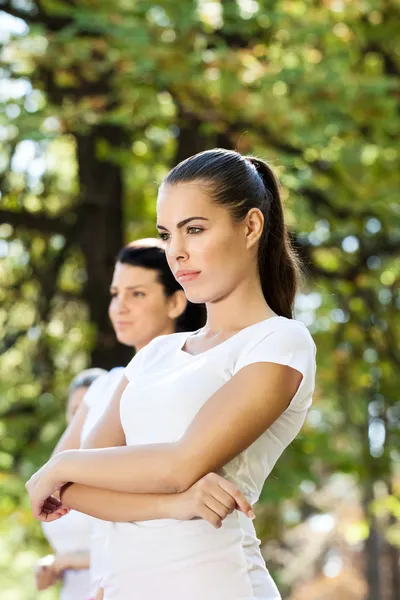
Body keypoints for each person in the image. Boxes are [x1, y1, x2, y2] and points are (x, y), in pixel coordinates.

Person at [27, 149, 317, 600]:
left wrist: (60, 463)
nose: (176, 253)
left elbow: (181, 464)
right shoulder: (156, 353)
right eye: (166, 235)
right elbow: (75, 489)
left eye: (195, 229)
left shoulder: (280, 342)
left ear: (251, 226)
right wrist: (175, 505)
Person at [42, 238, 247, 599]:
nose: (119, 307)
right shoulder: (102, 387)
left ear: (175, 301)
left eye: (136, 294)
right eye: (115, 293)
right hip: (104, 580)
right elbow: (57, 482)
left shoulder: (196, 382)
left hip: (180, 571)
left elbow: (175, 480)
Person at [36, 368, 106, 599]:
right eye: (75, 411)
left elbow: (137, 547)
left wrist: (70, 561)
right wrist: (51, 567)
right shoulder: (55, 469)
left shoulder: (113, 468)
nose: (80, 419)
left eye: (87, 411)